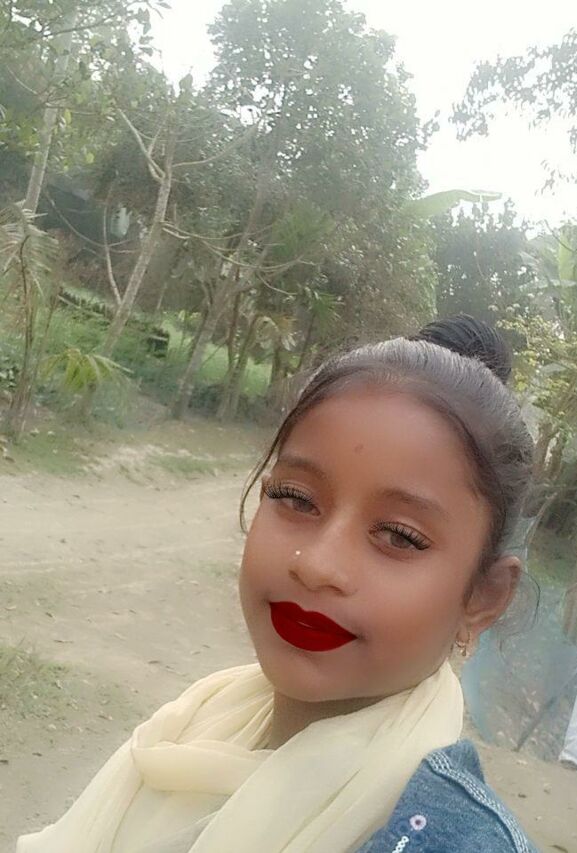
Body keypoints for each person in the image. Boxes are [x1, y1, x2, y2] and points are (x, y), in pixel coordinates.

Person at [17, 315, 539, 853]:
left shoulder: (460, 841)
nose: (317, 565)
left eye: (400, 536)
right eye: (296, 499)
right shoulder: (195, 722)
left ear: (484, 597)